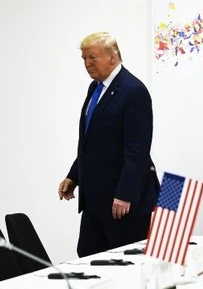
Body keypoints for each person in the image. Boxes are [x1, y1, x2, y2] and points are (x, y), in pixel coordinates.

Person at [58, 32, 160, 257]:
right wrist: (73, 176)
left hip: (123, 204)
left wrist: (125, 194)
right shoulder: (95, 88)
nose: (87, 64)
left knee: (126, 267)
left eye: (92, 57)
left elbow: (137, 149)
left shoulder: (134, 91)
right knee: (87, 257)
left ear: (112, 57)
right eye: (84, 59)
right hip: (95, 200)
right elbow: (91, 141)